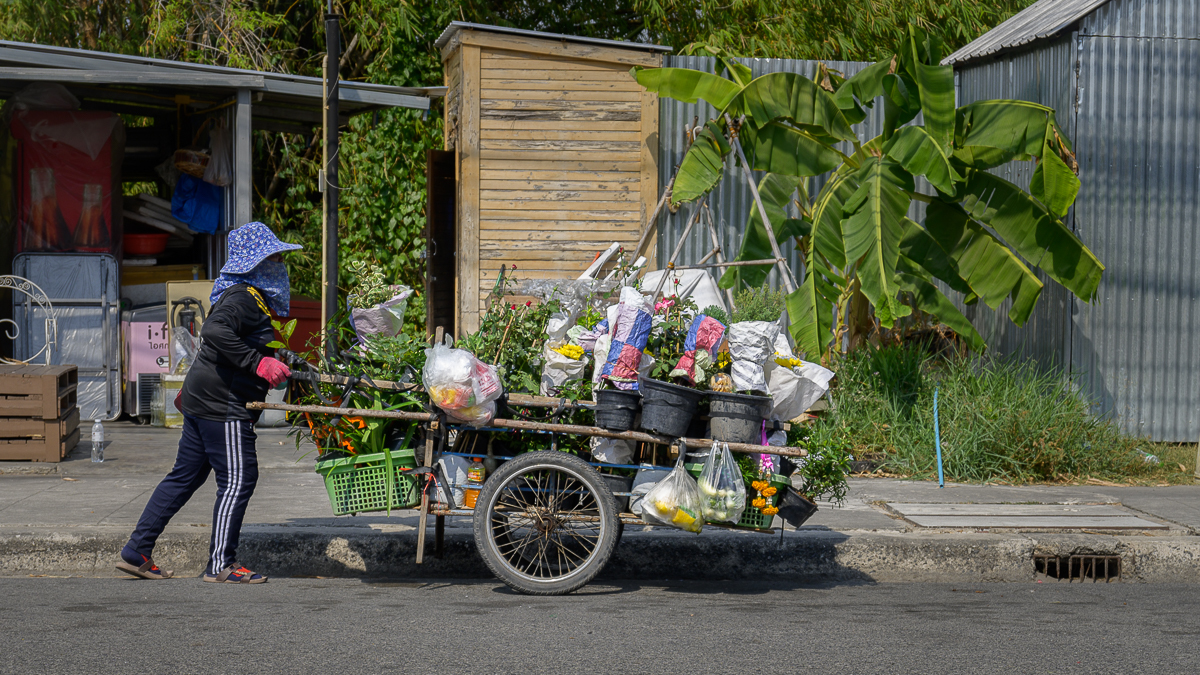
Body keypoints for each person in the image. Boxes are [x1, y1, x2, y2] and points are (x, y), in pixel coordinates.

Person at [116, 222, 301, 583]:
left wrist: (273, 359)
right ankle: (221, 564)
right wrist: (257, 363)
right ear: (256, 263)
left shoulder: (244, 295)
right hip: (222, 403)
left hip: (203, 399)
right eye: (275, 258)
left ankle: (136, 550)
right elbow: (214, 332)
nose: (281, 265)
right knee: (239, 478)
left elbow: (236, 340)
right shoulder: (243, 297)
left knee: (184, 476)